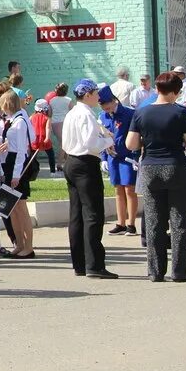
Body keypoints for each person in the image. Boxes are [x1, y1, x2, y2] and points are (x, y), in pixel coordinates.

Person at [125, 71, 186, 281]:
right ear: (175, 92)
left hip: (150, 168)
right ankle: (179, 271)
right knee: (179, 221)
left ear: (157, 89)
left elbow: (131, 144)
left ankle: (155, 271)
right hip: (175, 166)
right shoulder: (180, 113)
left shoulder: (141, 113)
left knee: (154, 221)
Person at [61, 79, 118, 278]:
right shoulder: (86, 114)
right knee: (93, 214)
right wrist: (109, 139)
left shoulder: (73, 113)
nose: (98, 96)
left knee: (76, 215)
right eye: (95, 93)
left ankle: (80, 263)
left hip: (72, 162)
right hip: (85, 164)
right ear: (87, 95)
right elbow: (91, 144)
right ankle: (94, 264)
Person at [0, 89, 35, 258]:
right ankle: (19, 243)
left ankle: (28, 246)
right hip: (9, 163)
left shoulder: (20, 122)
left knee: (21, 207)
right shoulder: (13, 120)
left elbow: (21, 150)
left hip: (16, 166)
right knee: (12, 207)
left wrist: (16, 175)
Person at [98, 86, 139, 237]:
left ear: (114, 100)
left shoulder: (129, 113)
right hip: (112, 158)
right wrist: (103, 158)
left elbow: (136, 135)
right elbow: (101, 137)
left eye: (107, 102)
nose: (105, 106)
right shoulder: (103, 116)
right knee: (118, 190)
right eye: (101, 104)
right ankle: (120, 223)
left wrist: (136, 156)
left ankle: (131, 224)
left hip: (127, 157)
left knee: (129, 189)